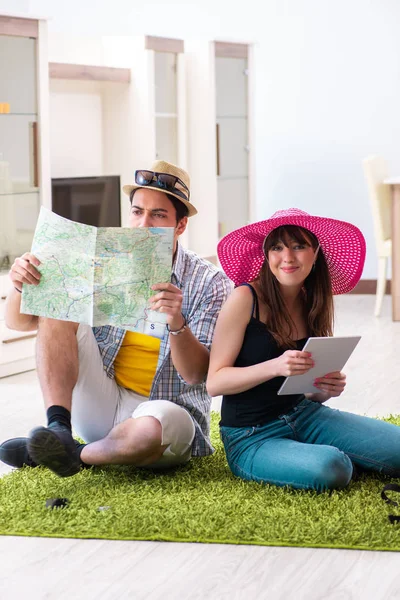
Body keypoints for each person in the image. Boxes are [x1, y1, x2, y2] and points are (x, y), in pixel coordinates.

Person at [0, 160, 232, 477]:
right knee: (61, 306)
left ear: (180, 225)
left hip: (163, 415)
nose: (143, 224)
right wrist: (19, 284)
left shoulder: (210, 282)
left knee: (152, 429)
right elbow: (20, 323)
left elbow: (196, 375)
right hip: (102, 400)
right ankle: (59, 429)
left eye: (158, 214)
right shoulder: (104, 259)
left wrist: (176, 321)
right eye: (137, 212)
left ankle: (72, 454)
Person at [206, 208, 400, 492]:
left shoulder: (313, 299)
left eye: (298, 246)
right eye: (277, 247)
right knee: (333, 468)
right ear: (266, 255)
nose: (287, 257)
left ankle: (308, 454)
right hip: (251, 436)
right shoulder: (244, 298)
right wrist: (275, 366)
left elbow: (310, 393)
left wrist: (323, 389)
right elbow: (215, 382)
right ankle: (316, 457)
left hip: (305, 415)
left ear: (315, 252)